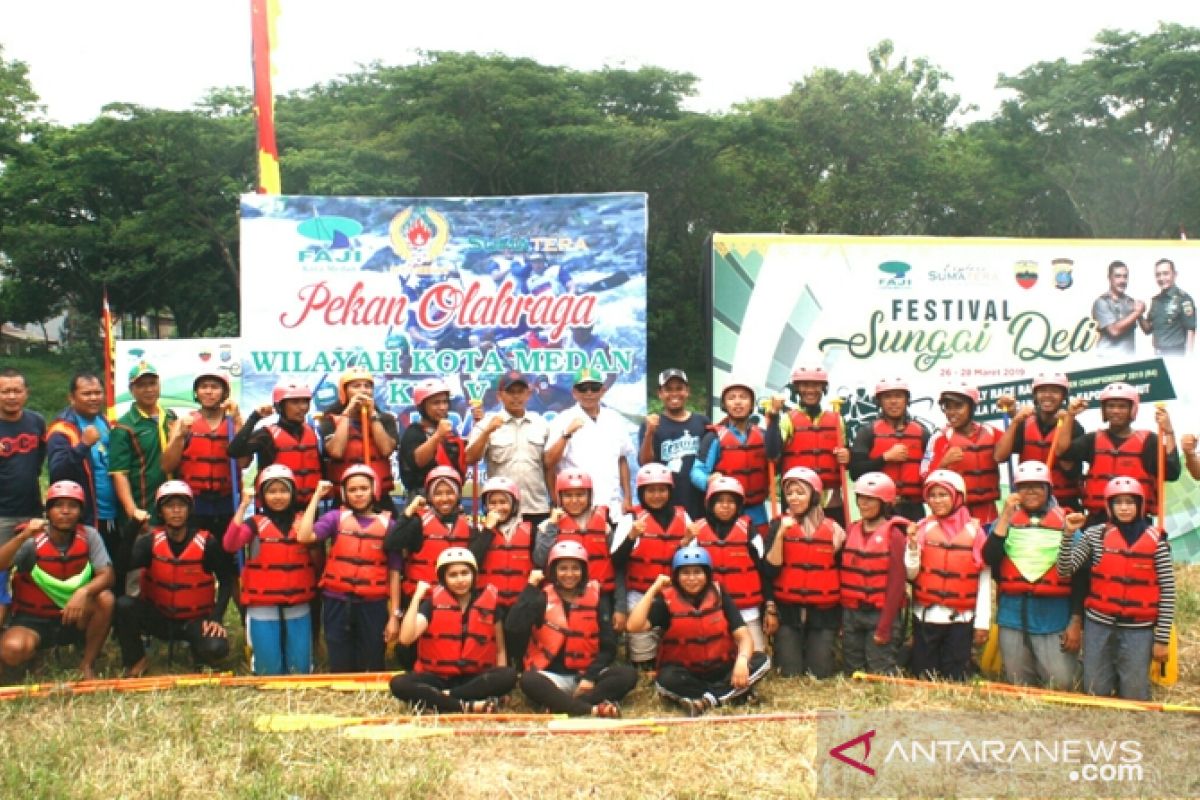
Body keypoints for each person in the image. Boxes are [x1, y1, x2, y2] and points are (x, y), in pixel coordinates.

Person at [1057, 477, 1175, 700]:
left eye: (1130, 502)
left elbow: (1168, 590)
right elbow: (1065, 570)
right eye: (1118, 502)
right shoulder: (1095, 535)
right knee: (1095, 692)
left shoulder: (1157, 541)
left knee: (1134, 695)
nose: (1124, 507)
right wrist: (1068, 535)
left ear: (1139, 505)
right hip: (1099, 623)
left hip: (1139, 628)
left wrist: (1161, 639)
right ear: (1109, 506)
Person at [627, 546, 770, 716]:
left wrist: (742, 660)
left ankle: (707, 700)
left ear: (707, 574)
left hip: (723, 668)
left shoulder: (719, 594)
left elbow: (743, 636)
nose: (692, 579)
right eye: (685, 573)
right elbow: (633, 626)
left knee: (762, 660)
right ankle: (731, 695)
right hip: (686, 674)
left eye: (697, 572)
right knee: (665, 680)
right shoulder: (666, 602)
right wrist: (653, 589)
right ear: (676, 576)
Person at [507, 540, 636, 717]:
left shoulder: (597, 599)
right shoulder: (541, 598)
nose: (569, 574)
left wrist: (589, 677)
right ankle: (588, 708)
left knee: (627, 675)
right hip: (553, 678)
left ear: (583, 571)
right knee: (529, 680)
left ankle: (561, 704)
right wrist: (530, 588)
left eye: (575, 568)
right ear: (554, 571)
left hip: (587, 678)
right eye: (563, 568)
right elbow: (513, 627)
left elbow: (608, 647)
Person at [0, 481, 114, 680]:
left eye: (72, 506)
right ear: (48, 511)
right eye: (58, 506)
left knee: (105, 599)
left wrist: (83, 592)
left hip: (71, 615)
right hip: (32, 618)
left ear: (80, 511)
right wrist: (22, 537)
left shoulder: (89, 536)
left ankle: (87, 664)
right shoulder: (31, 540)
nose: (65, 512)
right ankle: (36, 656)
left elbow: (108, 575)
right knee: (13, 650)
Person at [983, 461, 1082, 689]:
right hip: (1013, 614)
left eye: (1037, 486)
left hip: (1053, 615)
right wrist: (1006, 516)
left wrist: (1076, 620)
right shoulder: (1004, 524)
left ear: (1048, 489)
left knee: (1061, 684)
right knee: (1018, 683)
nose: (1031, 492)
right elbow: (991, 557)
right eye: (1024, 487)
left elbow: (1080, 577)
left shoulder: (1067, 524)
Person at [114, 481, 230, 676]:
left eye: (181, 505)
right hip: (158, 617)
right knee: (124, 605)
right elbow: (120, 567)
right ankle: (136, 659)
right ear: (161, 511)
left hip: (194, 620)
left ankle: (198, 651)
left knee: (217, 649)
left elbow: (226, 581)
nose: (176, 511)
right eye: (169, 506)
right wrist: (132, 528)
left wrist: (216, 617)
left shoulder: (207, 543)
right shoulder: (150, 542)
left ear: (189, 509)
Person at [297, 467, 402, 673]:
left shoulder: (390, 526)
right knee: (341, 665)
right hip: (337, 600)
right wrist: (316, 497)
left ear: (374, 490)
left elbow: (395, 572)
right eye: (352, 489)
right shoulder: (335, 518)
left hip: (373, 603)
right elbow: (303, 537)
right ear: (345, 494)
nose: (359, 493)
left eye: (364, 488)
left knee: (372, 665)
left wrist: (394, 616)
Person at [389, 548, 518, 713]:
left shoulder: (490, 605)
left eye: (465, 573)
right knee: (399, 683)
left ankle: (444, 699)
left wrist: (502, 689)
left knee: (508, 676)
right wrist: (416, 598)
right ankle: (466, 705)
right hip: (438, 677)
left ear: (474, 575)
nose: (460, 580)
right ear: (444, 578)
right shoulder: (431, 604)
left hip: (473, 679)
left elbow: (500, 650)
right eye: (453, 575)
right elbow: (406, 639)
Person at [166, 370, 247, 624]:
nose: (209, 391)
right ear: (196, 393)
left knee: (231, 572)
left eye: (215, 387)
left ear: (224, 392)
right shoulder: (185, 423)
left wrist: (240, 421)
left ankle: (247, 628)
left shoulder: (234, 422)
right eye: (204, 387)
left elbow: (243, 462)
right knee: (193, 566)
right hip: (196, 506)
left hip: (225, 504)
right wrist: (178, 437)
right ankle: (193, 621)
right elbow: (168, 464)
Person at [224, 465, 319, 675]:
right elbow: (230, 544)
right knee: (269, 672)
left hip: (297, 599)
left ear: (292, 493)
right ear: (262, 495)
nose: (278, 497)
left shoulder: (303, 521)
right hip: (262, 601)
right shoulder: (254, 524)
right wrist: (243, 506)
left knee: (299, 671)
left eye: (284, 491)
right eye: (272, 491)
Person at [905, 470, 992, 681]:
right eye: (932, 496)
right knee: (924, 677)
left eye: (943, 495)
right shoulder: (923, 527)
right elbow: (911, 573)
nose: (937, 501)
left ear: (957, 497)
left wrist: (982, 623)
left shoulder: (975, 532)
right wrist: (913, 547)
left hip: (961, 619)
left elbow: (984, 581)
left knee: (956, 678)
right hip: (926, 616)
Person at [1054, 382, 1180, 525]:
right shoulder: (1092, 440)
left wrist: (1169, 432)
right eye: (1111, 406)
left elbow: (1172, 472)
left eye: (1122, 407)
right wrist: (1070, 415)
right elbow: (1062, 452)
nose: (1115, 411)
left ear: (1132, 410)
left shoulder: (1149, 441)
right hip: (1098, 520)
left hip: (1136, 521)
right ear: (1104, 410)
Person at [761, 467, 843, 678]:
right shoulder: (777, 525)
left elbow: (841, 572)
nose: (793, 498)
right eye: (789, 493)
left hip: (823, 611)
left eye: (800, 492)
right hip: (788, 609)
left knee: (820, 674)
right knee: (790, 673)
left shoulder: (835, 530)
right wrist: (780, 534)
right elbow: (770, 570)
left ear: (813, 495)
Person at [612, 462, 688, 669]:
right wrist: (631, 538)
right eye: (651, 490)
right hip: (640, 595)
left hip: (676, 594)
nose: (657, 495)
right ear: (641, 492)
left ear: (670, 491)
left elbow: (694, 563)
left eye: (662, 490)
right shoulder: (631, 519)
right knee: (644, 664)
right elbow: (616, 561)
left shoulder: (684, 518)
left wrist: (685, 543)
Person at [109, 362, 177, 593]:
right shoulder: (125, 427)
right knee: (137, 574)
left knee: (168, 570)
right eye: (141, 385)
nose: (148, 390)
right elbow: (119, 474)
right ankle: (134, 624)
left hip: (172, 508)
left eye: (152, 383)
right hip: (143, 509)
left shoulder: (172, 419)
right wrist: (133, 513)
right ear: (132, 390)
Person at [533, 469, 623, 634]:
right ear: (559, 497)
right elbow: (540, 559)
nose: (574, 500)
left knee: (604, 641)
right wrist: (553, 527)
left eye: (580, 495)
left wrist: (620, 607)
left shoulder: (604, 526)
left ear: (590, 496)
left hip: (600, 596)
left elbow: (617, 566)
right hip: (562, 596)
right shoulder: (547, 525)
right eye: (568, 495)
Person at [839, 473, 909, 676]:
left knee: (878, 671)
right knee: (853, 672)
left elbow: (897, 584)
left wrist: (885, 626)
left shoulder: (894, 535)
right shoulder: (851, 529)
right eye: (860, 497)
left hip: (880, 614)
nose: (863, 503)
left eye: (870, 499)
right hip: (853, 613)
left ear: (884, 502)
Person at [686, 476, 766, 651]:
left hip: (746, 606)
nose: (725, 505)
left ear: (738, 505)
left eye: (731, 501)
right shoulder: (697, 530)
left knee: (757, 655)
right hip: (710, 606)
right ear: (710, 504)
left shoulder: (749, 531)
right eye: (720, 501)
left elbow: (763, 566)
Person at [466, 370, 554, 529]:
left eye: (520, 392)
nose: (516, 397)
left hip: (536, 508)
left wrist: (554, 501)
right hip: (500, 510)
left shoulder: (541, 424)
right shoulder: (487, 423)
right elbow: (470, 458)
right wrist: (487, 432)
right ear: (500, 396)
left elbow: (549, 467)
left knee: (538, 553)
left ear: (528, 394)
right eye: (510, 392)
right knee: (501, 554)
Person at [766, 366, 849, 527]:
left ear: (823, 388)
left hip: (830, 498)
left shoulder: (837, 420)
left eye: (816, 385)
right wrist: (774, 416)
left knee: (834, 545)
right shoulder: (787, 420)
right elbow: (772, 452)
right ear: (797, 389)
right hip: (797, 497)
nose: (810, 390)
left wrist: (847, 455)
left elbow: (846, 457)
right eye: (805, 385)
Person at [545, 368, 635, 516]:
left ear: (603, 390)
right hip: (575, 507)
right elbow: (549, 463)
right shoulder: (563, 419)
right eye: (583, 388)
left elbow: (622, 460)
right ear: (574, 392)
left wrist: (628, 497)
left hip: (612, 505)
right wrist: (566, 434)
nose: (589, 393)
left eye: (594, 388)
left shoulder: (615, 419)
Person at [691, 379, 773, 535]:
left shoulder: (763, 435)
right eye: (731, 398)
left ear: (751, 404)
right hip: (725, 512)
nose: (737, 402)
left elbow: (775, 463)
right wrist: (708, 480)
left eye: (743, 397)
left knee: (760, 553)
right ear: (724, 405)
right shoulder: (714, 437)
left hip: (757, 512)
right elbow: (697, 472)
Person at [993, 373, 1084, 511]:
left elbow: (1071, 471)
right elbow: (999, 456)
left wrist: (1069, 418)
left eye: (1054, 391)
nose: (1048, 395)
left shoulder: (1074, 427)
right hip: (1028, 501)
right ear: (1035, 395)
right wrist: (1015, 421)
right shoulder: (1024, 423)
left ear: (1063, 396)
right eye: (1042, 391)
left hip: (1064, 502)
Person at [227, 380, 322, 510]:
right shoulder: (265, 435)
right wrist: (254, 418)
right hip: (275, 508)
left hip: (308, 507)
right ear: (280, 406)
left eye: (305, 401)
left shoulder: (312, 431)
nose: (302, 407)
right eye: (295, 402)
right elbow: (234, 451)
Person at [0, 367, 47, 627]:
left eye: (16, 390)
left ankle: (30, 620)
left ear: (26, 393)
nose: (11, 396)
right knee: (0, 572)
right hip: (1, 515)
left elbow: (39, 460)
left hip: (32, 509)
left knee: (32, 569)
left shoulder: (36, 421)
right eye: (5, 391)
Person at [470, 476, 534, 660]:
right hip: (489, 602)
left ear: (514, 505)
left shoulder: (531, 531)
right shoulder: (478, 532)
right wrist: (488, 530)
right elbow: (472, 560)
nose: (498, 507)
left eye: (503, 502)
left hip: (518, 602)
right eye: (493, 502)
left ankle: (521, 663)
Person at [849, 377, 929, 523]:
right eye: (887, 397)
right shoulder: (867, 432)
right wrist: (885, 458)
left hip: (914, 509)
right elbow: (855, 472)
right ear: (879, 402)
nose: (893, 401)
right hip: (881, 509)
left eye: (899, 396)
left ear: (907, 400)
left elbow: (931, 470)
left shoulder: (922, 433)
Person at [320, 366, 399, 512]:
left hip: (380, 497)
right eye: (356, 386)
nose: (363, 390)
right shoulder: (329, 420)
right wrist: (347, 414)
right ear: (344, 392)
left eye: (367, 386)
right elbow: (336, 451)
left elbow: (386, 450)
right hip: (346, 495)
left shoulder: (386, 419)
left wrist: (373, 416)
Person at [45, 372, 114, 540]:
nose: (93, 398)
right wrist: (83, 445)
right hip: (85, 517)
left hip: (113, 513)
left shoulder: (105, 421)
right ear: (72, 397)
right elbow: (57, 473)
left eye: (97, 393)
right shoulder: (61, 429)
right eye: (86, 394)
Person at [922, 383, 1000, 524]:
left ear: (972, 408)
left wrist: (1014, 413)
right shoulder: (939, 438)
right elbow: (924, 477)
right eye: (948, 407)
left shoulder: (991, 432)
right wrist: (943, 463)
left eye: (958, 406)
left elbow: (1017, 442)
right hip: (954, 517)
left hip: (988, 514)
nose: (951, 412)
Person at [638, 368, 710, 521]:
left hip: (697, 500)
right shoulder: (652, 424)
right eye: (668, 389)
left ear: (687, 391)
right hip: (665, 502)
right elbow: (645, 464)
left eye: (679, 388)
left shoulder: (702, 422)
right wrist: (649, 433)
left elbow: (712, 459)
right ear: (660, 393)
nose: (674, 394)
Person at [398, 377, 468, 493]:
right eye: (436, 403)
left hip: (449, 495)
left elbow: (466, 458)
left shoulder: (451, 432)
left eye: (445, 402)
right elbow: (418, 461)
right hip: (421, 497)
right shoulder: (413, 432)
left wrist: (481, 429)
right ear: (422, 407)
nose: (442, 407)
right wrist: (438, 435)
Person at [1140, 257, 1196, 356]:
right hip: (1157, 354)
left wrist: (1189, 358)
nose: (1161, 278)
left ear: (1174, 274)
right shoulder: (1156, 301)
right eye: (1158, 275)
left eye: (1165, 273)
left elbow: (1190, 330)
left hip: (1175, 354)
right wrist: (1138, 314)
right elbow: (1148, 330)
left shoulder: (1184, 299)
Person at [1091, 260, 1144, 354]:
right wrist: (1137, 312)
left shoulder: (1131, 301)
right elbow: (1114, 331)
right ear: (1109, 278)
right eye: (1118, 276)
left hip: (1129, 360)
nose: (1122, 281)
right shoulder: (1101, 302)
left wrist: (1145, 308)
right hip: (1108, 360)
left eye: (1125, 276)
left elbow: (1147, 329)